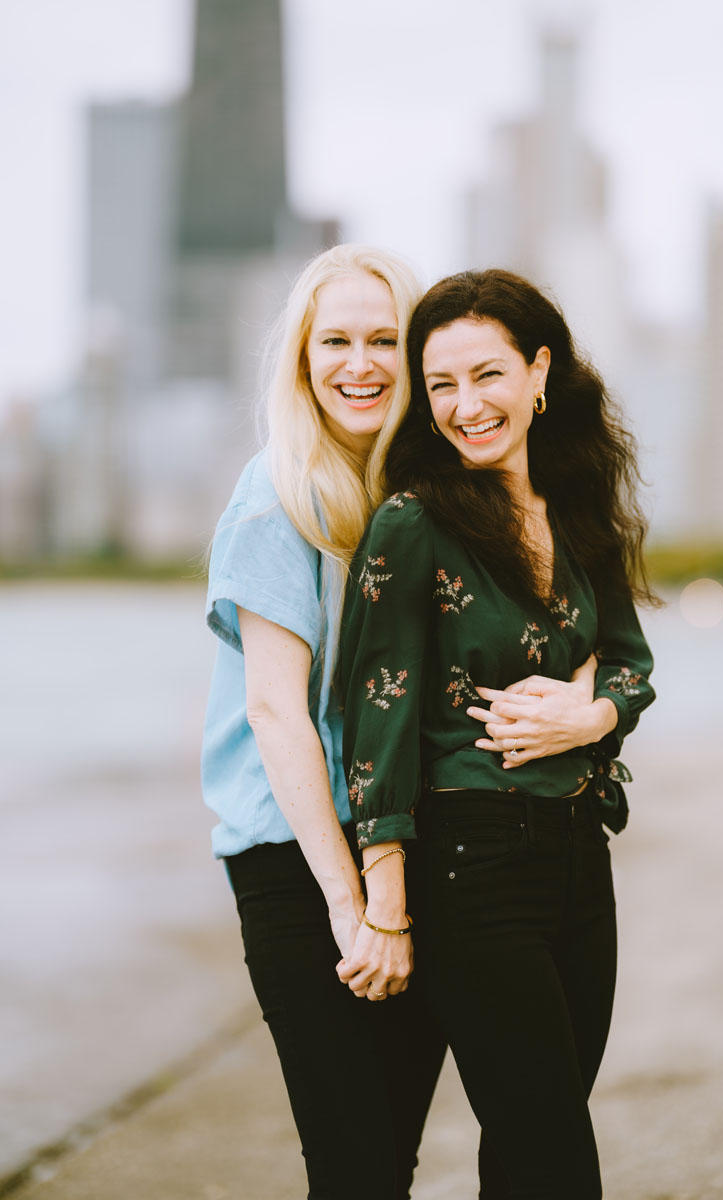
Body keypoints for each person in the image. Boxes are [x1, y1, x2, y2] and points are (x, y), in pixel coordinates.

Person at [337, 268, 656, 1198]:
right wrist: (385, 904)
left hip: (578, 855)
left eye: (487, 375)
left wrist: (590, 717)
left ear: (539, 371)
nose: (466, 407)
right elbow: (376, 715)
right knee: (554, 1152)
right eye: (441, 386)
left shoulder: (580, 508)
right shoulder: (413, 523)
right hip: (467, 864)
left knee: (529, 1145)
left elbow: (632, 663)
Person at [201, 244, 447, 1200]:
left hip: (403, 841)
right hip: (297, 861)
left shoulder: (421, 497)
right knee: (354, 1162)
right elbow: (276, 712)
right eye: (334, 340)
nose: (362, 363)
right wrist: (354, 911)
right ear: (302, 361)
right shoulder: (279, 496)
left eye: (385, 339)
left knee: (387, 1158)